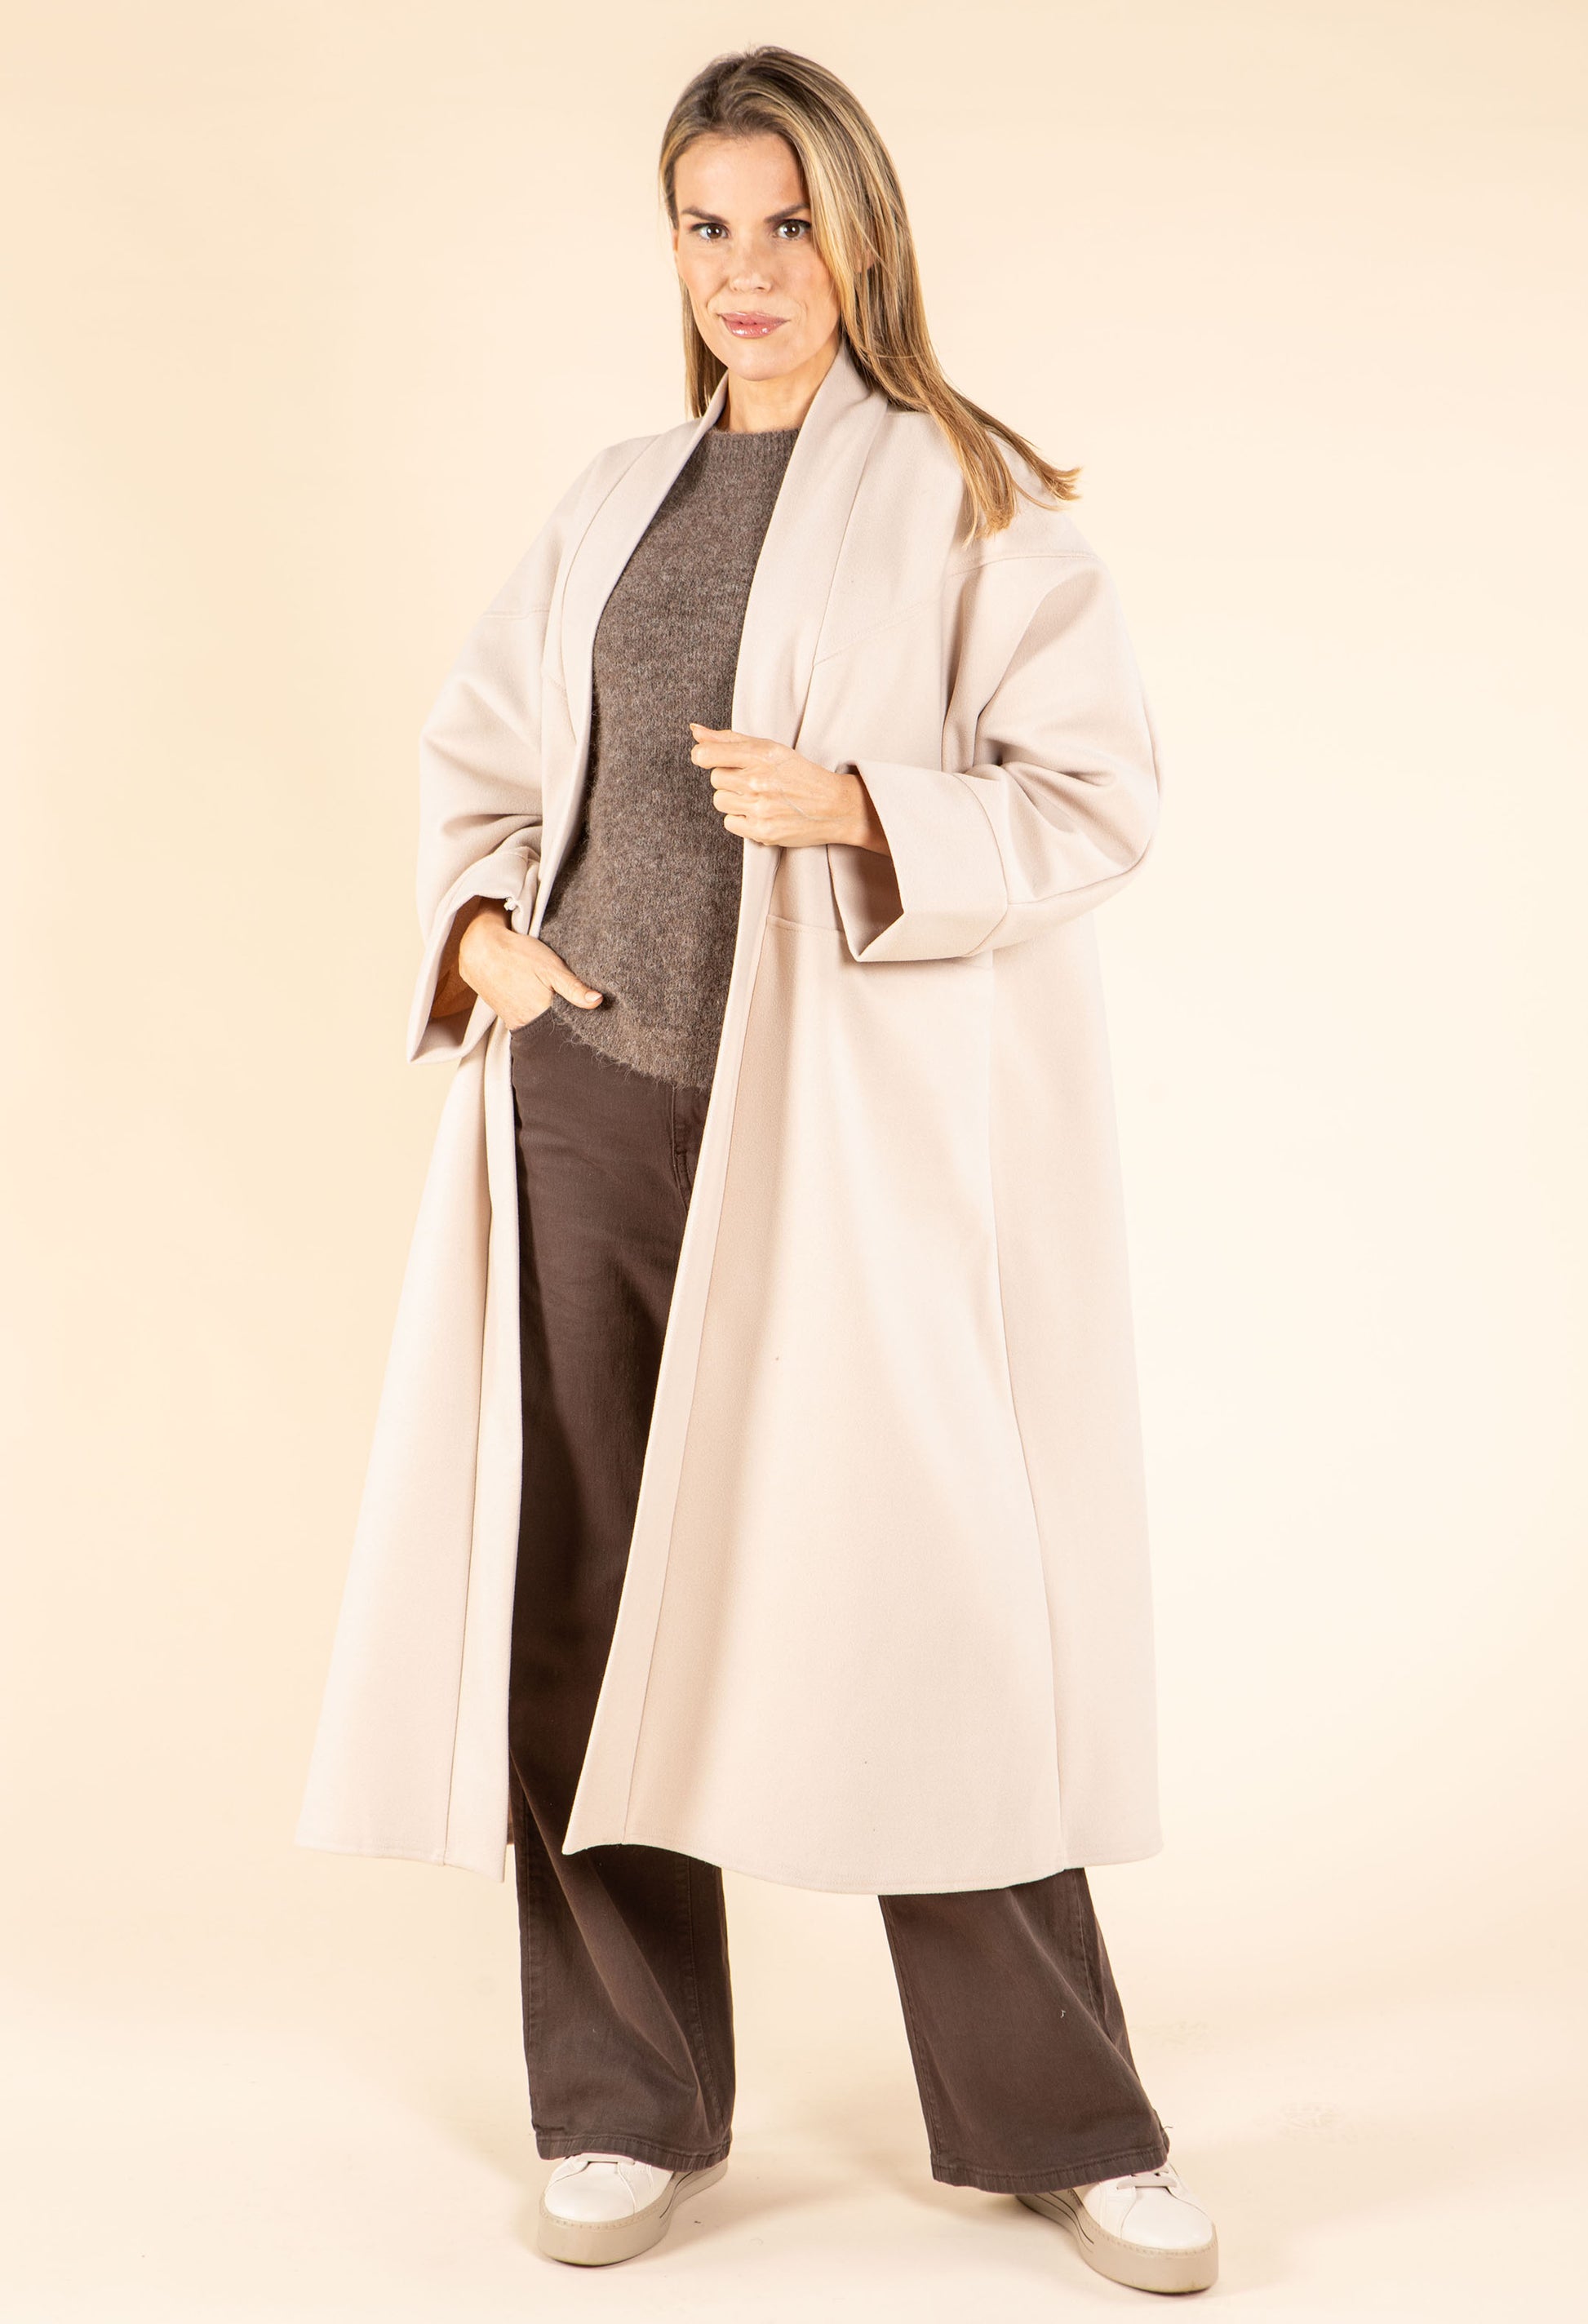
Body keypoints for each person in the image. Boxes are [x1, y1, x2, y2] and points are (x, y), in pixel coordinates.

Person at [297, 43, 1218, 2296]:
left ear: (861, 231)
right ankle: (624, 2104)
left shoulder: (973, 496)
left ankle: (1060, 2123)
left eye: (786, 223)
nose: (746, 270)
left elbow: (1096, 797)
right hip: (589, 1103)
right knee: (580, 1606)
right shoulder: (614, 493)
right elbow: (483, 753)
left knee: (929, 1602)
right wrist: (481, 930)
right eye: (707, 227)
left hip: (837, 1139)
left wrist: (872, 807)